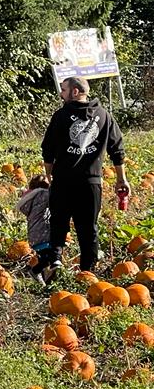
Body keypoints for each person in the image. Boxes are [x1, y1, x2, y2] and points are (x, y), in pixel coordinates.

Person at [40, 76, 127, 272]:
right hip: (91, 182)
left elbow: (48, 150)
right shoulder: (104, 115)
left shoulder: (61, 116)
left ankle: (56, 263)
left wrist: (49, 176)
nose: (61, 94)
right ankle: (88, 271)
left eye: (63, 90)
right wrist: (122, 179)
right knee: (88, 228)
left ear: (75, 92)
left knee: (58, 223)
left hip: (63, 180)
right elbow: (117, 150)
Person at [16, 175, 52, 283]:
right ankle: (34, 271)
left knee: (44, 258)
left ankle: (43, 280)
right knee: (51, 257)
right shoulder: (43, 194)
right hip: (43, 234)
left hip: (34, 234)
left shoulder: (32, 198)